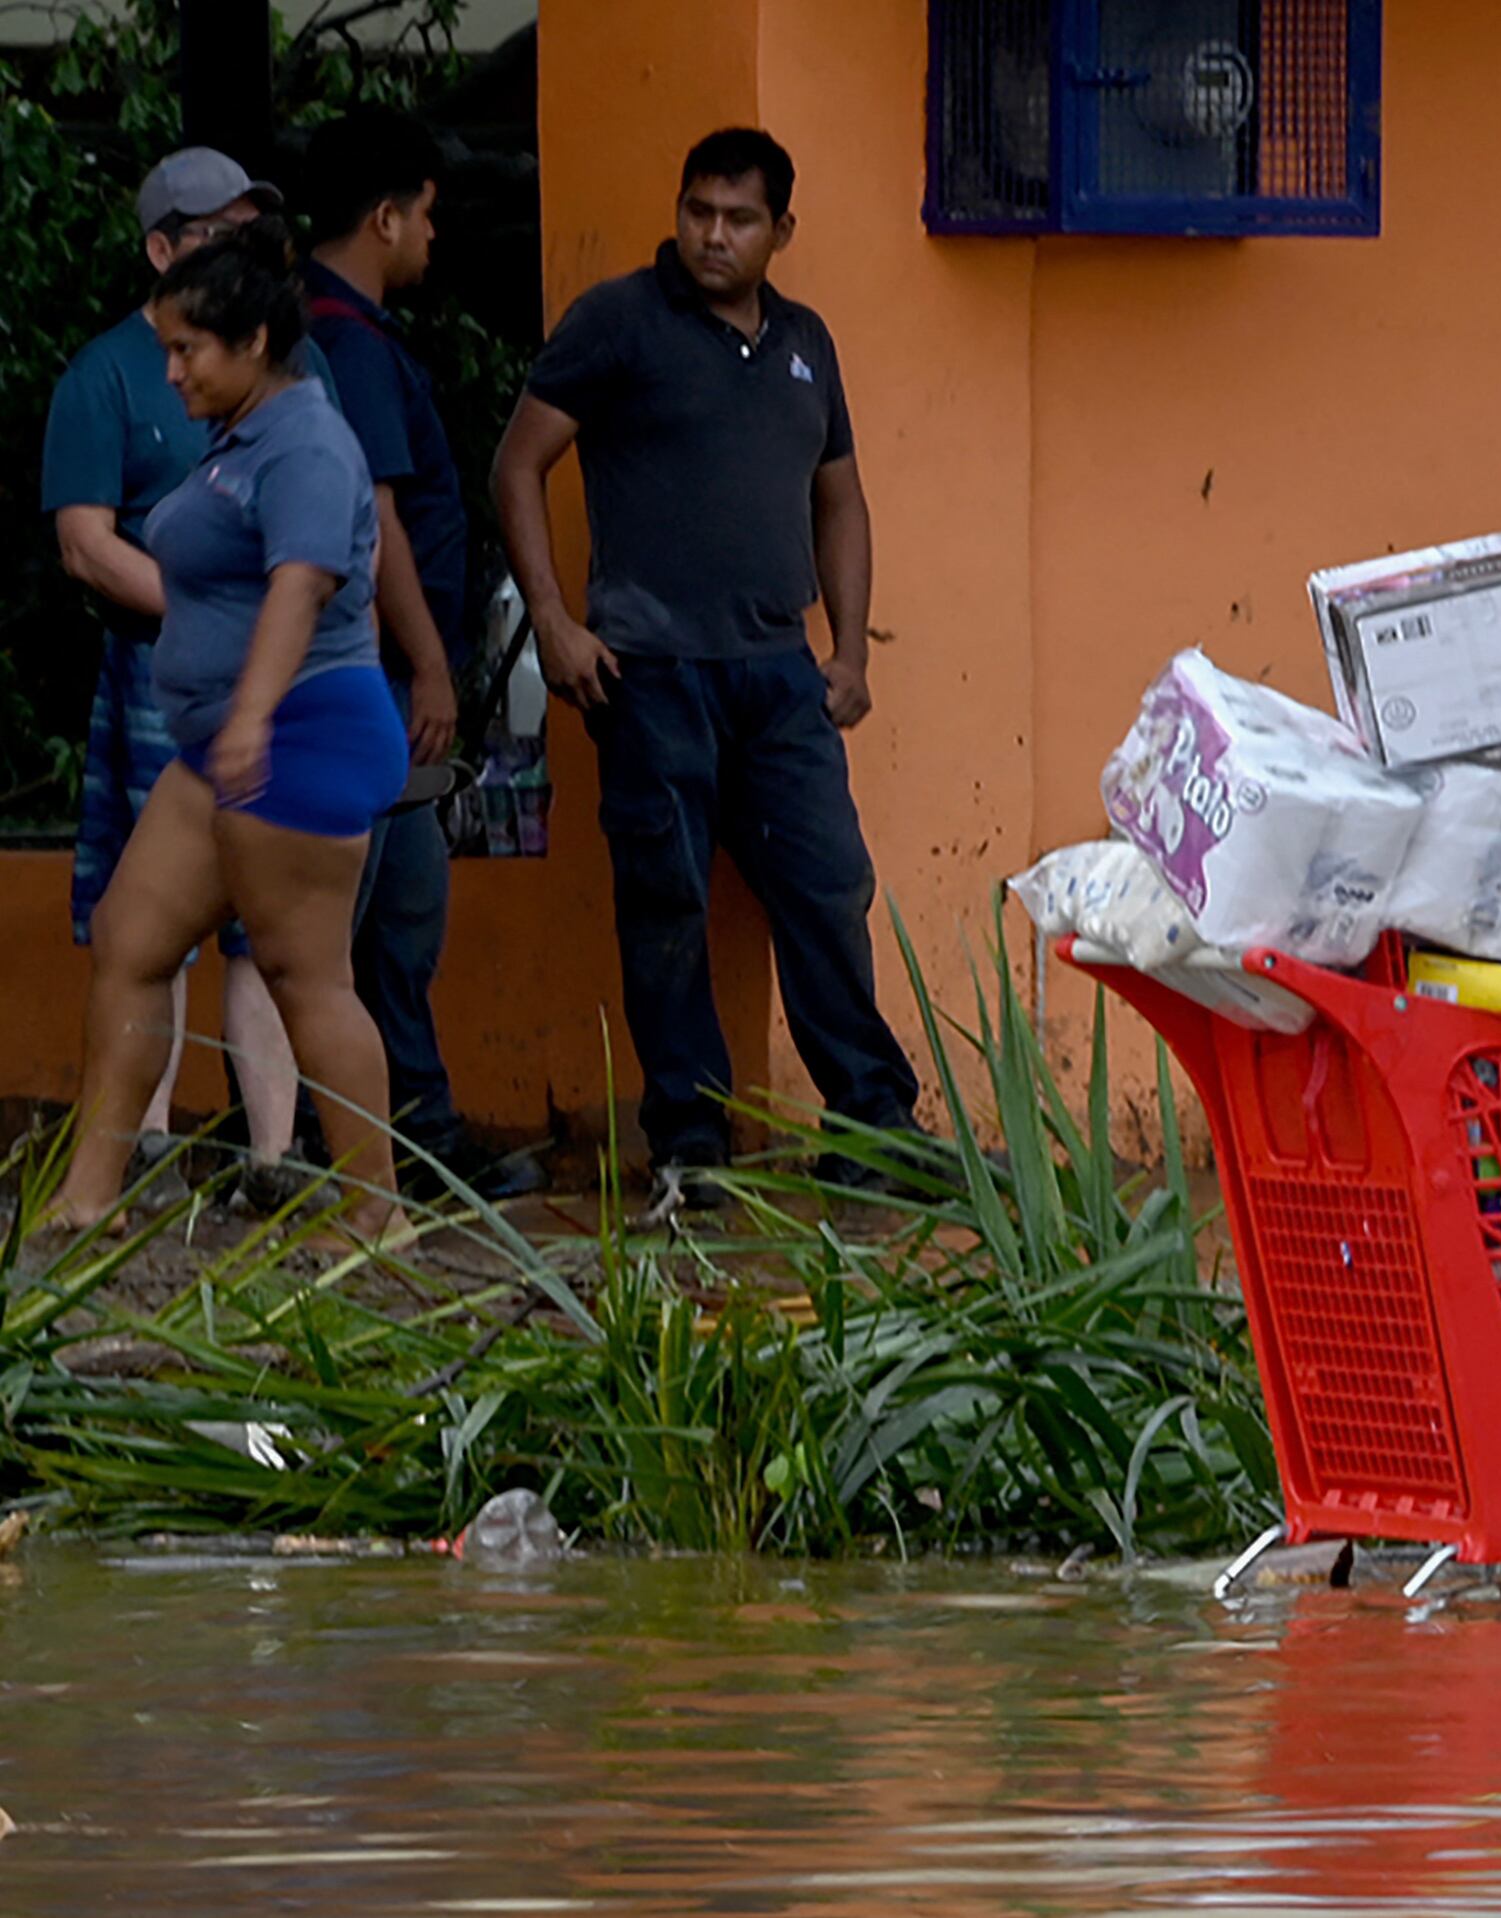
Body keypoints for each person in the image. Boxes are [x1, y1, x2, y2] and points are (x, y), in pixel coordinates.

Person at [491, 127, 918, 1204]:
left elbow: (841, 499)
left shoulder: (805, 341)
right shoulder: (618, 322)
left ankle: (876, 1133)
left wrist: (851, 651)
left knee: (828, 891)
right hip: (649, 673)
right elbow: (517, 464)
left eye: (737, 219)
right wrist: (554, 621)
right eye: (697, 211)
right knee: (665, 903)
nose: (711, 235)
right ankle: (689, 1148)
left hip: (780, 675)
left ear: (782, 230)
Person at [45, 220, 408, 1238]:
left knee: (304, 976)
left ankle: (377, 1214)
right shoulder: (236, 436)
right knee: (129, 937)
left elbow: (306, 582)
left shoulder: (308, 441)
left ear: (253, 341)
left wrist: (250, 717)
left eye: (186, 351)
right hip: (224, 745)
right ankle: (87, 1198)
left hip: (296, 736)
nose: (168, 372)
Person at [40, 148, 322, 1207]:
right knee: (145, 917)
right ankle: (146, 1144)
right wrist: (212, 607)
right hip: (162, 672)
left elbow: (342, 531)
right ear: (161, 249)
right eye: (219, 230)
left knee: (273, 918)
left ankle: (274, 1153)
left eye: (256, 228)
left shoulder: (297, 367)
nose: (247, 247)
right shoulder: (106, 373)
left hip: (287, 676)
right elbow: (84, 542)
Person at [300, 107, 536, 1202]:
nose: (436, 238)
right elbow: (380, 517)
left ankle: (410, 1125)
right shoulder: (347, 342)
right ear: (386, 216)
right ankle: (377, 1137)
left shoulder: (341, 335)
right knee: (379, 916)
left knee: (397, 912)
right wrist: (431, 664)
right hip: (381, 675)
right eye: (429, 216)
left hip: (380, 671)